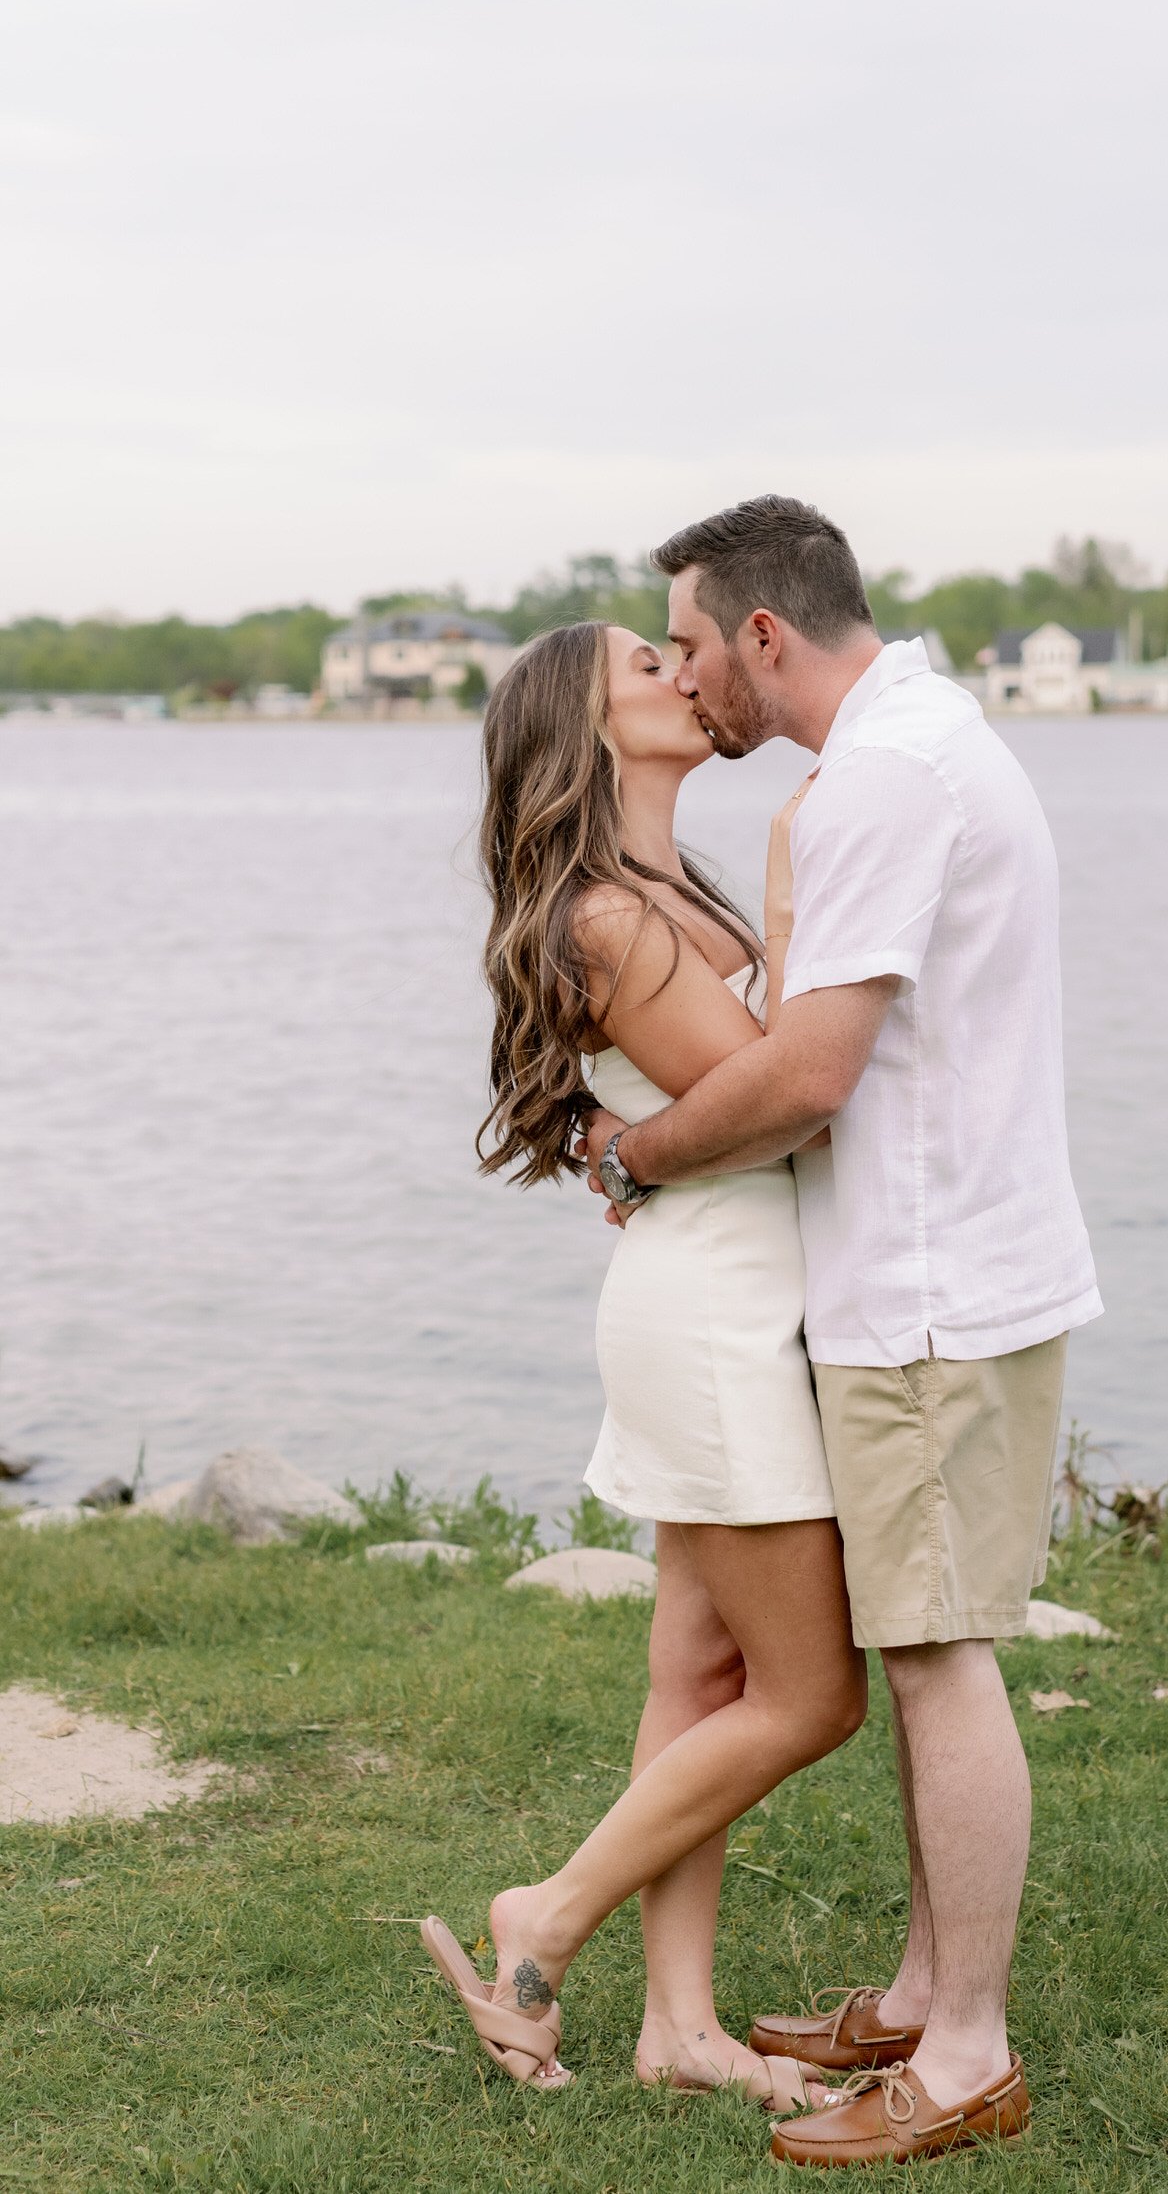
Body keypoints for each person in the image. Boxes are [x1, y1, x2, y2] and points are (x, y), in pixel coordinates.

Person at [582, 494, 1102, 2167]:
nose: (684, 678)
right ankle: (919, 1992)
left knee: (939, 1657)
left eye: (689, 644)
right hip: (950, 1268)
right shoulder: (918, 745)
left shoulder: (878, 779)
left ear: (762, 637)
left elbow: (809, 1074)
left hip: (932, 1283)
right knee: (923, 1643)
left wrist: (635, 1154)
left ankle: (963, 2056)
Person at [419, 617, 866, 2115]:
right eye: (646, 665)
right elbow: (780, 1098)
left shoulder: (672, 887)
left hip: (723, 1289)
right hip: (714, 1314)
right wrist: (810, 882)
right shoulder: (607, 916)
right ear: (586, 728)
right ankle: (546, 1916)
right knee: (811, 1699)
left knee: (700, 1673)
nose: (686, 672)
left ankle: (680, 2025)